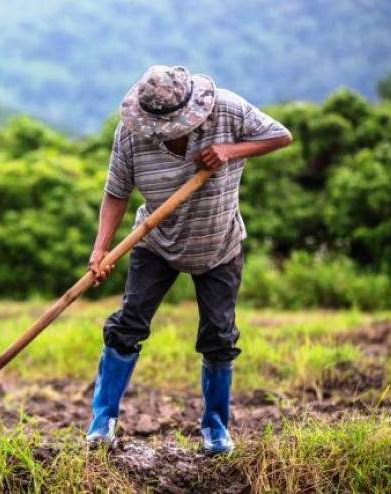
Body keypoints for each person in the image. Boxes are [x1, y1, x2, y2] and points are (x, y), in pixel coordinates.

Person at [86, 65, 292, 454]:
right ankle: (102, 422)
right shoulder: (132, 133)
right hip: (155, 241)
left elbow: (280, 136)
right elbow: (116, 192)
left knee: (218, 336)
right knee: (127, 325)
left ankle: (216, 428)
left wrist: (231, 151)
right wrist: (101, 250)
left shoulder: (228, 110)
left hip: (219, 243)